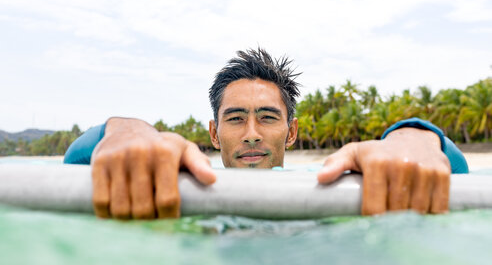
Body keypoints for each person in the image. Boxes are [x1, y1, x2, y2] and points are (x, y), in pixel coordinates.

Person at [64, 48, 468, 219]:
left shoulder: (326, 190)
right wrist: (123, 128)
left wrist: (415, 134)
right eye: (236, 118)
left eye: (268, 118)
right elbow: (74, 163)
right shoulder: (175, 185)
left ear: (291, 132)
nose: (252, 134)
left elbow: (457, 168)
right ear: (214, 133)